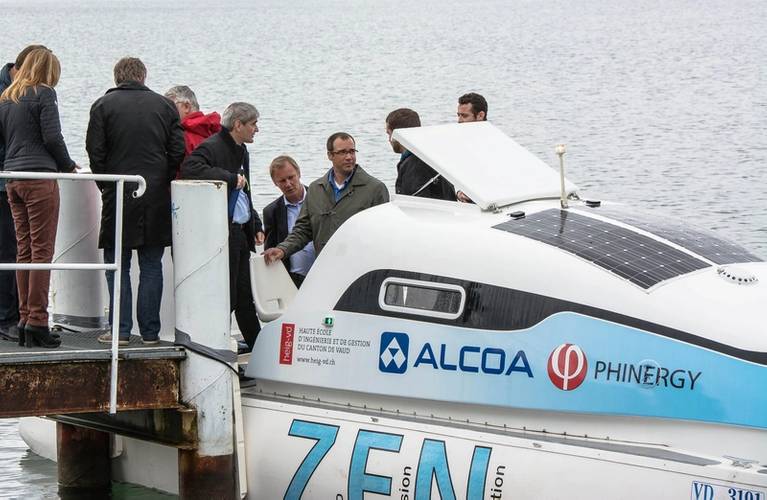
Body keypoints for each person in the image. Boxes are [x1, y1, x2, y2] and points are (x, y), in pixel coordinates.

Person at [86, 57, 185, 346]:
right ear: (143, 76)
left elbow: (95, 152)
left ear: (117, 77)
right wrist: (160, 178)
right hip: (153, 193)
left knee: (117, 264)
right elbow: (177, 149)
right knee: (152, 264)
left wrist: (106, 185)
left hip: (118, 192)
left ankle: (121, 330)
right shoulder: (165, 106)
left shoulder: (102, 106)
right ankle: (151, 333)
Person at [0, 47, 77, 348]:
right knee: (42, 252)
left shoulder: (7, 99)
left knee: (24, 251)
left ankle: (23, 319)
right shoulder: (44, 94)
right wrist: (68, 166)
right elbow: (53, 137)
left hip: (12, 180)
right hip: (39, 179)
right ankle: (38, 322)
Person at [180, 102, 265, 350]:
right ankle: (216, 344)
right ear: (237, 125)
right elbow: (190, 168)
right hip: (222, 233)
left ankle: (258, 349)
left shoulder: (242, 151)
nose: (256, 130)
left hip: (240, 230)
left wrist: (255, 221)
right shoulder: (214, 146)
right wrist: (228, 178)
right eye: (253, 124)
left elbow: (245, 190)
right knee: (227, 294)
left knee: (244, 295)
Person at [263, 132, 389, 266]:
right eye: (342, 152)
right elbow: (303, 229)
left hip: (359, 269)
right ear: (330, 155)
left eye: (352, 151)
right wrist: (282, 249)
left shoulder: (375, 189)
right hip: (324, 268)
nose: (349, 157)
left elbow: (383, 235)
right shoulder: (316, 189)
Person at [0, 44, 46, 342]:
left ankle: (14, 315)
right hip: (9, 178)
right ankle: (8, 316)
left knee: (18, 249)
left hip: (11, 178)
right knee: (11, 249)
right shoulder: (9, 94)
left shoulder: (14, 93)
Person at [262, 156, 316, 288]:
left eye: (291, 177)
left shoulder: (321, 198)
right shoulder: (271, 211)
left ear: (299, 173)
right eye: (282, 180)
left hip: (322, 272)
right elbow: (271, 248)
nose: (288, 184)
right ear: (275, 183)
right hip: (293, 279)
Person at [386, 108, 456, 201]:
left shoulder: (414, 165)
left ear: (397, 135)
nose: (389, 140)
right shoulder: (433, 157)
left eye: (389, 134)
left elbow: (413, 204)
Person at [164, 85, 221, 157]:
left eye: (170, 107)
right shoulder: (218, 132)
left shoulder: (181, 136)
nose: (166, 113)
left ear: (186, 107)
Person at [455, 92, 488, 203]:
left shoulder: (495, 143)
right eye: (458, 115)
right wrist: (459, 192)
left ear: (480, 115)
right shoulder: (458, 144)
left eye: (464, 116)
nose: (459, 121)